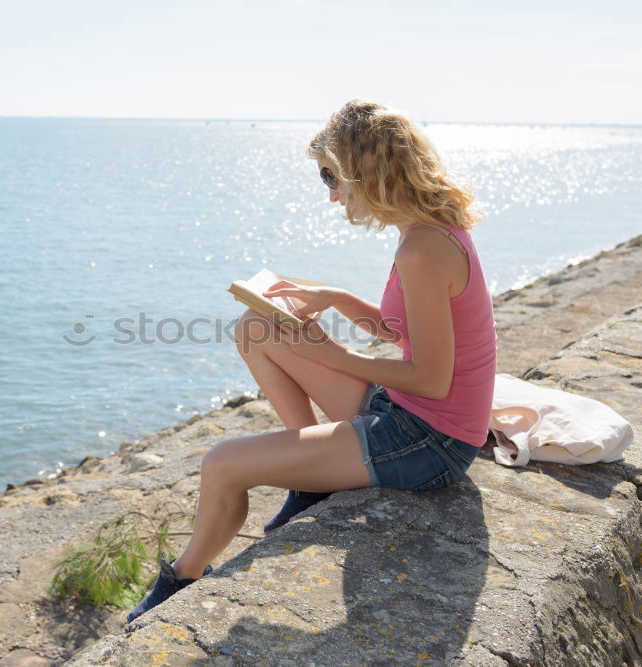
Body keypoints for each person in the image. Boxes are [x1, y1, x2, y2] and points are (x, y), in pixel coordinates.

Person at [126, 99, 497, 623]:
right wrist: (337, 296)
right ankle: (311, 477)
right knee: (258, 328)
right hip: (407, 412)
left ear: (366, 171)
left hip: (430, 441)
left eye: (331, 177)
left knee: (221, 465)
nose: (331, 195)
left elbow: (433, 380)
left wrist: (336, 355)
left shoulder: (422, 250)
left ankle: (183, 576)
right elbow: (410, 331)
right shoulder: (429, 231)